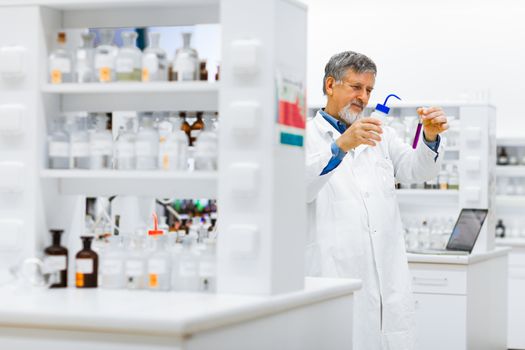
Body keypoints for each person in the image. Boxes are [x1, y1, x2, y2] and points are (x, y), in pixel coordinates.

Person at [305, 51, 448, 349]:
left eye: (368, 90)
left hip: (387, 281)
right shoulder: (304, 136)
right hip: (335, 275)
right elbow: (300, 187)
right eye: (355, 87)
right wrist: (340, 146)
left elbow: (416, 169)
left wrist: (430, 139)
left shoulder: (381, 135)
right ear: (330, 85)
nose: (363, 97)